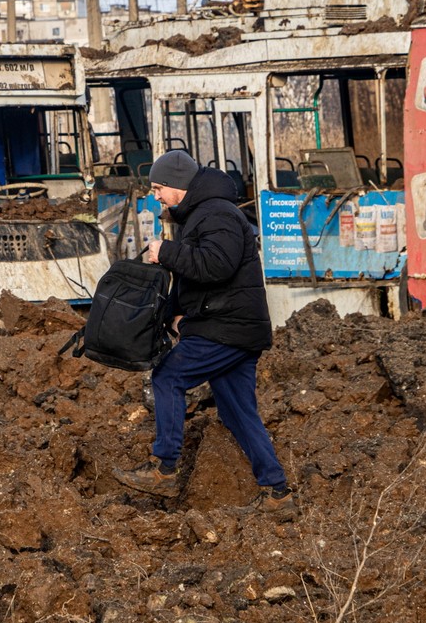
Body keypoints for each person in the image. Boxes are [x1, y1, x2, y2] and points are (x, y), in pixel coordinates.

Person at [112, 150, 294, 514]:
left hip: (229, 328)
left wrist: (166, 252)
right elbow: (197, 277)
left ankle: (164, 469)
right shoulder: (201, 215)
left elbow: (216, 266)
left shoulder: (218, 214)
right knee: (238, 412)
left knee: (167, 377)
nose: (156, 195)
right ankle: (278, 493)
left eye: (159, 187)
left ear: (179, 186)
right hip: (231, 327)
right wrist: (176, 316)